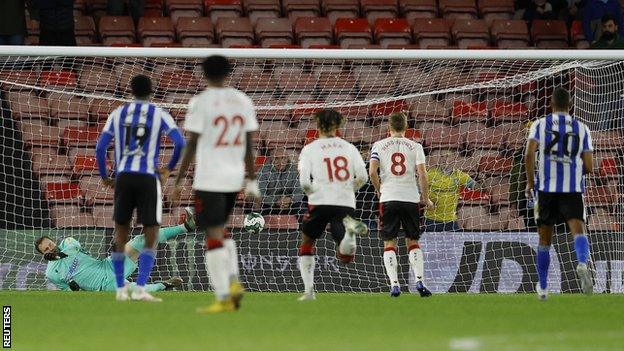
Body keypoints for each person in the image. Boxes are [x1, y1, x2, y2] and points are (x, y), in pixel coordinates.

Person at [171, 55, 261, 314]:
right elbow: (248, 142)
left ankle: (224, 294)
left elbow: (193, 142)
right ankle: (232, 285)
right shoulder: (243, 100)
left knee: (211, 233)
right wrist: (252, 178)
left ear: (204, 74)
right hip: (234, 178)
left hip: (209, 177)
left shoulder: (201, 101)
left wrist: (179, 180)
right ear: (228, 72)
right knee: (220, 229)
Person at [95, 74, 186, 302]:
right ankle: (142, 288)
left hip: (124, 177)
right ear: (151, 91)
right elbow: (180, 142)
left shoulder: (118, 113)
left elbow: (100, 148)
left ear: (131, 91)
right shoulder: (159, 114)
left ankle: (119, 289)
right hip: (147, 178)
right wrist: (167, 169)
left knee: (121, 233)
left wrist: (106, 176)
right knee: (150, 234)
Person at [525, 87, 594, 300]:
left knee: (545, 239)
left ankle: (544, 287)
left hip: (546, 188)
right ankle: (582, 263)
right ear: (570, 105)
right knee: (579, 231)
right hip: (571, 188)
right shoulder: (582, 128)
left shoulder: (540, 124)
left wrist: (530, 182)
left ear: (551, 104)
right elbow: (590, 166)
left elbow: (529, 154)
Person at [297, 108, 369, 301]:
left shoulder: (310, 149)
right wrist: (348, 188)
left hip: (320, 201)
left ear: (318, 125)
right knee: (345, 258)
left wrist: (312, 192)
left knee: (307, 242)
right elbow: (363, 177)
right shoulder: (349, 148)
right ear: (338, 126)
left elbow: (304, 181)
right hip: (344, 202)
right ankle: (350, 234)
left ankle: (309, 291)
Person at [35, 208, 195, 292]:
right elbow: (65, 290)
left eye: (50, 244)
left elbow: (73, 249)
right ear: (43, 254)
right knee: (136, 290)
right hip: (104, 286)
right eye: (46, 249)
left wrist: (57, 256)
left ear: (53, 241)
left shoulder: (67, 243)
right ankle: (164, 285)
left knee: (140, 240)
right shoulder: (51, 273)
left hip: (108, 266)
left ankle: (185, 226)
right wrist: (73, 290)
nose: (50, 248)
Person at [369, 112, 434, 298]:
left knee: (389, 242)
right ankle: (420, 281)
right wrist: (426, 198)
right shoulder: (416, 146)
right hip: (411, 198)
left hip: (388, 198)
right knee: (413, 241)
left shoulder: (378, 145)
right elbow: (422, 174)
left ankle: (394, 284)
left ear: (388, 128)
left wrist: (379, 189)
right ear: (406, 127)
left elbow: (372, 171)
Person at [423, 155, 481, 232]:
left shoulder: (459, 175)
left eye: (447, 156)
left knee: (456, 243)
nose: (444, 159)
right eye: (442, 157)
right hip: (431, 220)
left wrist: (482, 180)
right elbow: (417, 191)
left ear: (454, 159)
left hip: (450, 220)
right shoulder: (430, 174)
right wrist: (426, 200)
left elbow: (477, 187)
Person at [257, 148, 303, 215]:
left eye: (283, 158)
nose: (280, 161)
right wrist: (276, 201)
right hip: (271, 203)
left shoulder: (294, 170)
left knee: (302, 209)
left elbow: (299, 191)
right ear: (271, 160)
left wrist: (290, 199)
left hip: (290, 202)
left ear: (287, 159)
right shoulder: (263, 171)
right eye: (276, 158)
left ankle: (302, 225)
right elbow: (260, 194)